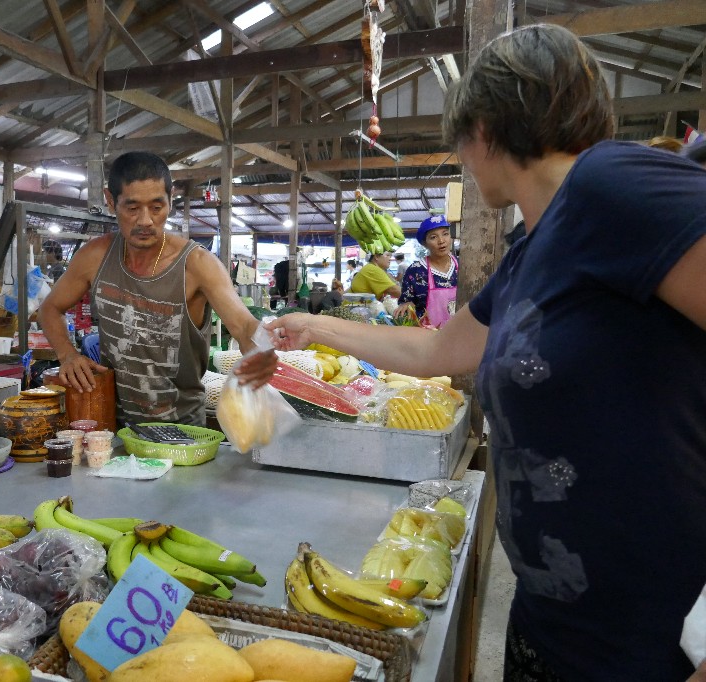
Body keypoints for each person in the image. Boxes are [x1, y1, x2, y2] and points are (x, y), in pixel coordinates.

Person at [266, 24, 706, 681]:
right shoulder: (533, 250)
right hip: (552, 626)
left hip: (648, 646)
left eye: (463, 141)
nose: (465, 160)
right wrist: (313, 326)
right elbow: (438, 350)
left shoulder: (609, 186)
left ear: (487, 127)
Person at [37, 152, 276, 426]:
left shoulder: (198, 264)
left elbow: (243, 326)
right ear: (110, 201)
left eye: (156, 207)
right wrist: (67, 354)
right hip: (112, 428)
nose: (145, 221)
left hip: (181, 431)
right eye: (132, 208)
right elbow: (49, 309)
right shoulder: (94, 257)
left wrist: (261, 348)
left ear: (171, 199)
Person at [396, 215, 457, 327]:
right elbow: (405, 302)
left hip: (460, 331)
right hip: (428, 333)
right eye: (433, 237)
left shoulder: (462, 266)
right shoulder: (415, 271)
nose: (441, 241)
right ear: (424, 243)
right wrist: (407, 305)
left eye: (445, 234)